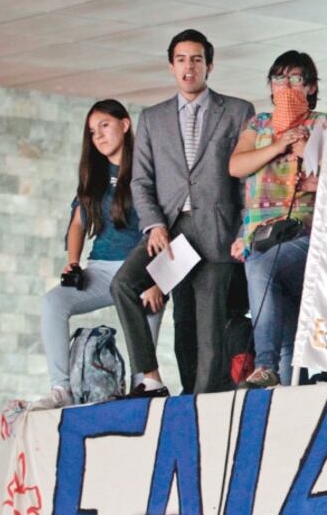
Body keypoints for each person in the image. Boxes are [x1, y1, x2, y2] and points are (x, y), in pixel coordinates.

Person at [111, 29, 255, 397]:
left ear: (209, 64)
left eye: (196, 59)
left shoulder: (238, 111)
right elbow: (140, 181)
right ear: (171, 66)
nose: (188, 67)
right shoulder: (153, 118)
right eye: (181, 60)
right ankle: (150, 376)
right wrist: (154, 225)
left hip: (217, 233)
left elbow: (246, 183)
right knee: (125, 284)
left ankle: (200, 411)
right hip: (171, 232)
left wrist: (243, 230)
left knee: (207, 336)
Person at [30, 100, 165, 409]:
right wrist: (73, 262)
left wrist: (159, 280)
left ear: (125, 124)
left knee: (150, 310)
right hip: (101, 269)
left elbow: (166, 226)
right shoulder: (96, 174)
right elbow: (78, 224)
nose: (99, 136)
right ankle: (61, 389)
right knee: (53, 302)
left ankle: (141, 387)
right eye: (93, 131)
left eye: (105, 125)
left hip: (141, 271)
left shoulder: (148, 167)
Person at [228, 51, 327, 389]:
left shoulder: (325, 122)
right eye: (279, 79)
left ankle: (264, 365)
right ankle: (284, 392)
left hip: (304, 234)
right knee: (284, 317)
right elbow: (236, 166)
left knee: (262, 268)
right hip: (259, 235)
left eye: (295, 80)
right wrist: (276, 147)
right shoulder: (259, 124)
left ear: (311, 86)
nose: (286, 87)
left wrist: (304, 149)